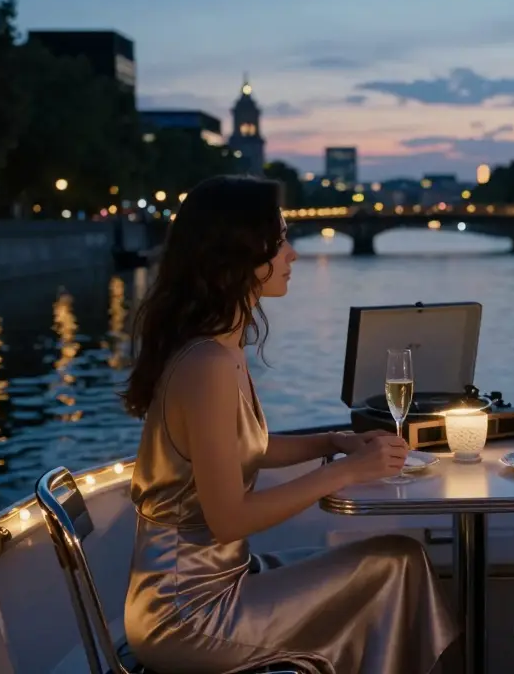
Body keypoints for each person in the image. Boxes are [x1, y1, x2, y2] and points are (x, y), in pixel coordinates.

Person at [120, 175, 457, 674]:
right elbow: (229, 520)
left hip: (220, 580)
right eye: (279, 240)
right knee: (395, 564)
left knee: (394, 562)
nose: (293, 254)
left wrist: (333, 442)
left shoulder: (216, 348)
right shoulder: (208, 364)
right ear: (238, 255)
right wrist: (346, 471)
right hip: (188, 612)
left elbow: (244, 448)